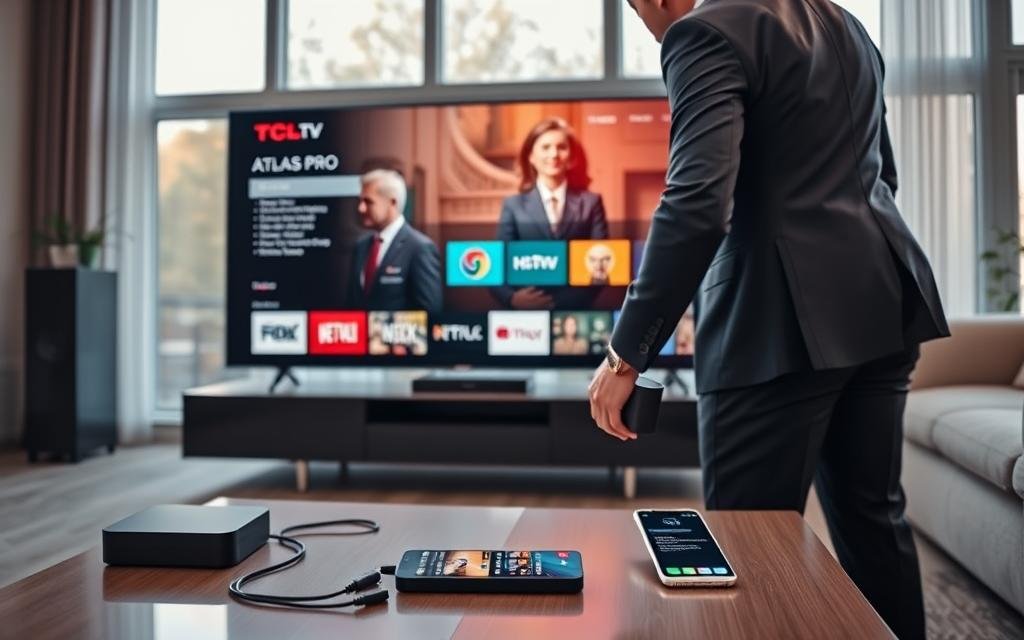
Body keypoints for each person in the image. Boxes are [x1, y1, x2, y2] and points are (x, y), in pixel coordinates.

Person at [588, 3, 949, 639]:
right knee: (874, 523)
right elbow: (881, 175)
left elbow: (698, 203)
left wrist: (626, 354)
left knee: (744, 545)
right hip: (882, 298)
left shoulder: (704, 31)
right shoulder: (847, 26)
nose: (640, 16)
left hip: (775, 325)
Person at [493, 117, 609, 309]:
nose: (554, 154)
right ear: (531, 156)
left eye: (561, 147)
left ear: (571, 157)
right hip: (526, 317)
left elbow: (601, 267)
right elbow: (495, 267)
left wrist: (556, 303)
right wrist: (513, 299)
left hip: (575, 311)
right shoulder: (513, 205)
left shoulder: (591, 203)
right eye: (545, 147)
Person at [344, 169, 442, 313]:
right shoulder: (361, 246)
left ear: (392, 202)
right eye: (360, 201)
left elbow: (430, 312)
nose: (361, 208)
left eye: (368, 201)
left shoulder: (419, 248)